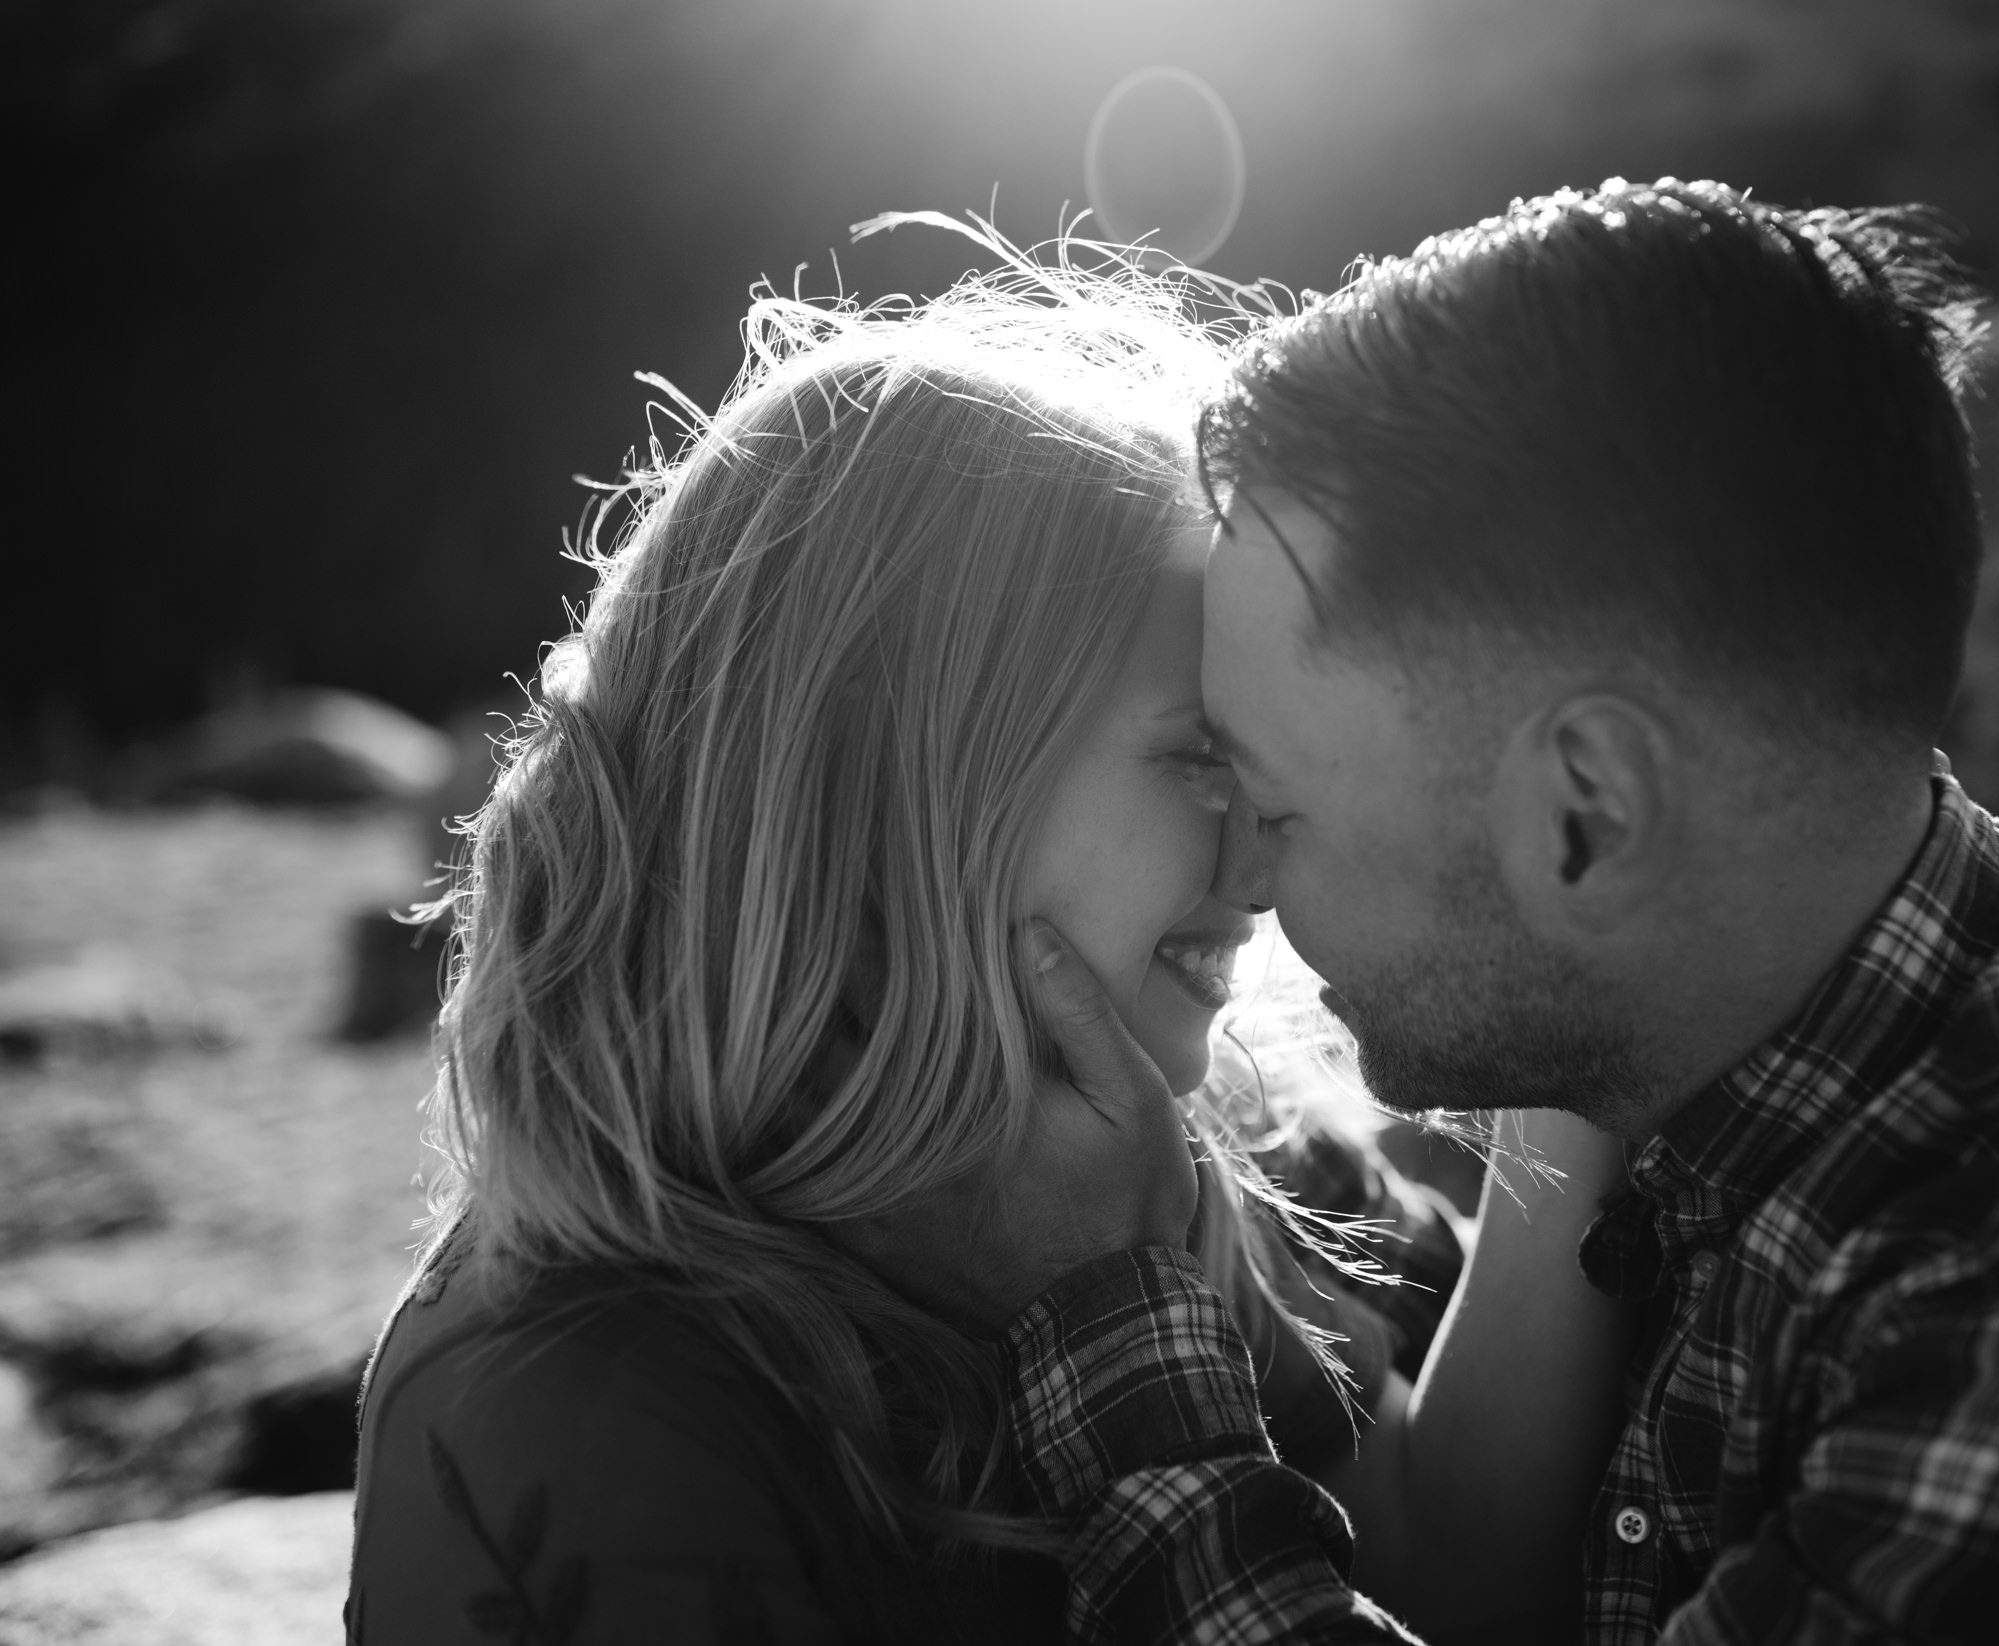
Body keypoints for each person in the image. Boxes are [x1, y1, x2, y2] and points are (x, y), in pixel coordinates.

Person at [941, 178, 1999, 1643]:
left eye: (1281, 812)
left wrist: (1101, 1313)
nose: (1255, 885)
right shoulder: (1777, 1029)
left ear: (1588, 812)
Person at [342, 246, 1620, 1642]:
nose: (1265, 858)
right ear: (902, 791)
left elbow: (1448, 1571)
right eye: (1200, 755)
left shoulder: (1170, 1165)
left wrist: (1591, 1003)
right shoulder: (602, 1412)